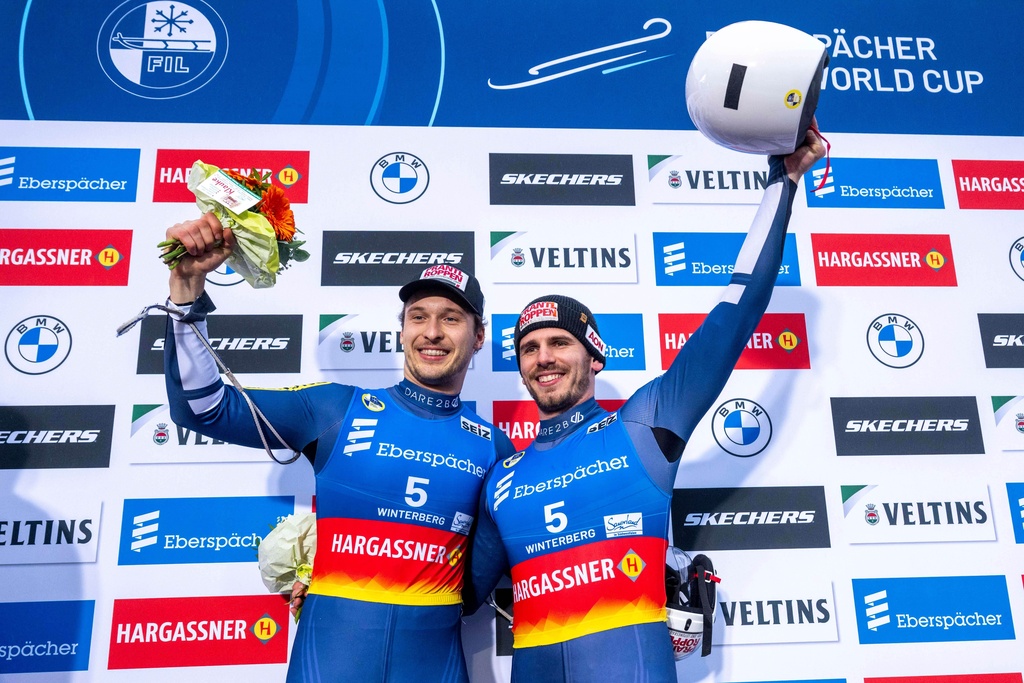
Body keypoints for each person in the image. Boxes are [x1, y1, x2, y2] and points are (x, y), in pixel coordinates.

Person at [463, 125, 827, 682]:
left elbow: (736, 311)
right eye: (529, 349)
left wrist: (782, 181)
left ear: (596, 356)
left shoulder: (644, 425)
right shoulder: (502, 476)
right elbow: (458, 597)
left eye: (560, 342)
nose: (544, 358)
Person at [159, 214, 516, 683]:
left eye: (451, 318)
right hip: (330, 661)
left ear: (479, 337)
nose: (432, 332)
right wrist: (186, 289)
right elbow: (203, 410)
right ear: (402, 330)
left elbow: (483, 582)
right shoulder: (334, 408)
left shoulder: (493, 447)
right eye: (418, 317)